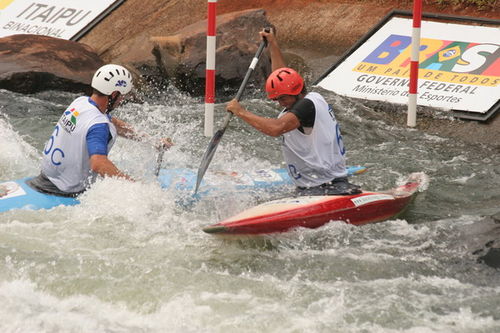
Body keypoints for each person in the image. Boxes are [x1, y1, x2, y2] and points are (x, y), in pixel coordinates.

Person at [226, 29, 360, 196]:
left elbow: (276, 128)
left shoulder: (306, 107)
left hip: (324, 187)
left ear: (297, 92)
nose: (280, 102)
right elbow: (282, 75)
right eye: (276, 99)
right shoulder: (310, 98)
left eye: (283, 98)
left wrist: (241, 112)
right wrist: (273, 44)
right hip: (318, 182)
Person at [28, 64, 172, 197]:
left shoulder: (81, 102)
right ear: (114, 94)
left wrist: (151, 141)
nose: (122, 100)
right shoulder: (99, 126)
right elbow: (98, 163)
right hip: (66, 190)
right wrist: (137, 187)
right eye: (121, 96)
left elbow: (113, 122)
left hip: (46, 178)